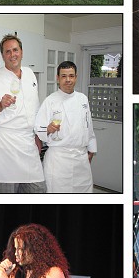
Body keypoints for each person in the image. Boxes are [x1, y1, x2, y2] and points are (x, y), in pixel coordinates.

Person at [0, 35, 46, 193]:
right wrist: (0, 105)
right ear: (3, 55)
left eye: (15, 50)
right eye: (7, 51)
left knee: (39, 191)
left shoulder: (30, 74)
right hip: (6, 146)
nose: (12, 55)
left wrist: (37, 136)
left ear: (22, 52)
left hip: (28, 143)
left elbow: (34, 108)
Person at [35, 61, 97, 193]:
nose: (68, 80)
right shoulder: (50, 101)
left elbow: (88, 126)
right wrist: (48, 129)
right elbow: (38, 128)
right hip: (59, 161)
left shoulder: (83, 99)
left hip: (81, 160)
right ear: (58, 78)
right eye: (63, 76)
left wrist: (91, 149)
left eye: (71, 76)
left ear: (76, 77)